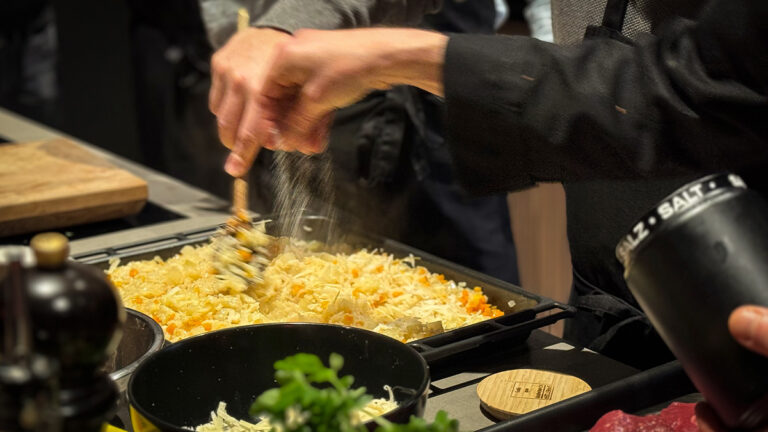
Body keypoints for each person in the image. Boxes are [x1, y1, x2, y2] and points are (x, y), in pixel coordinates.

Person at [209, 0, 768, 371]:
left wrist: (404, 57)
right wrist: (296, 22)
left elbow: (690, 86)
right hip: (612, 307)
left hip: (752, 320)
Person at [200, 0, 526, 283]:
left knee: (471, 291)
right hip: (282, 67)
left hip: (423, 98)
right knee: (313, 248)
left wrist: (287, 26)